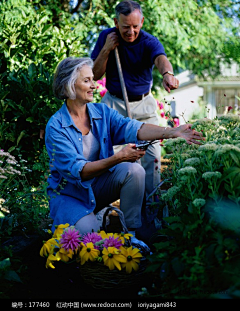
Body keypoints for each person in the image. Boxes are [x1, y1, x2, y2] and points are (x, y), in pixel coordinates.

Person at [45, 57, 202, 244]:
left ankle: (131, 236)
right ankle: (92, 218)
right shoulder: (56, 127)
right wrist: (118, 158)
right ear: (69, 85)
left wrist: (171, 132)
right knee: (89, 235)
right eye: (86, 80)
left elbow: (134, 127)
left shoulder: (101, 112)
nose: (94, 86)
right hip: (72, 195)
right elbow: (81, 171)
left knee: (134, 170)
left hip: (98, 187)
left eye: (92, 80)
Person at [91, 0, 179, 197]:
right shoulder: (106, 37)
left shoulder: (149, 41)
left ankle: (152, 208)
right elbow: (95, 76)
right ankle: (109, 207)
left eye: (135, 26)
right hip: (114, 104)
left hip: (143, 106)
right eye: (125, 27)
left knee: (153, 157)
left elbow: (161, 59)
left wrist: (167, 75)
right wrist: (106, 49)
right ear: (116, 22)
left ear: (142, 22)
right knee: (110, 156)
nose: (131, 32)